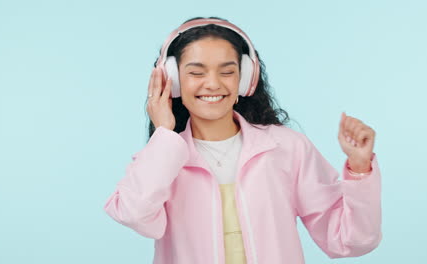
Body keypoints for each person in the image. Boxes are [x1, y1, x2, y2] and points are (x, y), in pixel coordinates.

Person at [103, 16, 382, 264]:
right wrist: (164, 134)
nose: (213, 83)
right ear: (173, 81)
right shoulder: (163, 159)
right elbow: (134, 214)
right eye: (197, 73)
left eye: (226, 72)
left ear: (245, 78)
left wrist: (359, 168)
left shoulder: (286, 148)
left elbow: (349, 240)